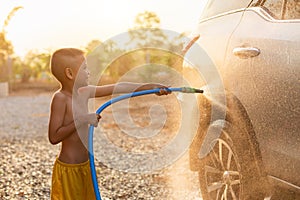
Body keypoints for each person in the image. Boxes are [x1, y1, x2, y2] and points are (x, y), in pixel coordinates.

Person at [48, 47, 170, 199]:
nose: (88, 72)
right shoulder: (60, 99)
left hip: (86, 167)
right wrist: (83, 119)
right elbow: (53, 136)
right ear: (70, 74)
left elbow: (119, 87)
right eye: (84, 68)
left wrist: (151, 87)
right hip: (68, 170)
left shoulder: (84, 92)